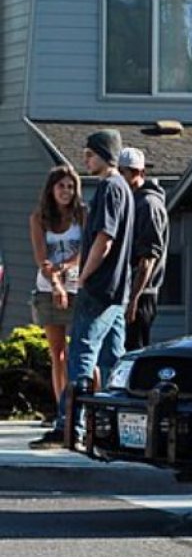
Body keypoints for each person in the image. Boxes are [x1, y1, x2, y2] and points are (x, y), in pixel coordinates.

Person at [30, 129, 135, 449]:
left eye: (90, 154)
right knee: (114, 359)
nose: (85, 159)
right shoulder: (125, 189)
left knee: (80, 356)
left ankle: (69, 426)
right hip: (119, 289)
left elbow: (104, 240)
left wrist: (86, 276)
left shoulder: (107, 188)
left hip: (100, 287)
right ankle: (113, 426)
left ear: (105, 155)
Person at [27, 165, 86, 410]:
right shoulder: (39, 218)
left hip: (78, 286)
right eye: (61, 186)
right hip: (48, 288)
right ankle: (63, 409)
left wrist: (65, 269)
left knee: (82, 349)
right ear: (51, 189)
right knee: (58, 352)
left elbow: (86, 251)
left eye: (70, 186)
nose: (66, 191)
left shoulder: (82, 215)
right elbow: (41, 258)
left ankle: (84, 407)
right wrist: (55, 283)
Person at [118, 148, 169, 350]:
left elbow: (148, 257)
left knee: (134, 352)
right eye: (119, 172)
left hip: (142, 293)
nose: (121, 177)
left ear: (140, 173)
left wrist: (133, 300)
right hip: (128, 291)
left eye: (125, 172)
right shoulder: (132, 200)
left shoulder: (148, 204)